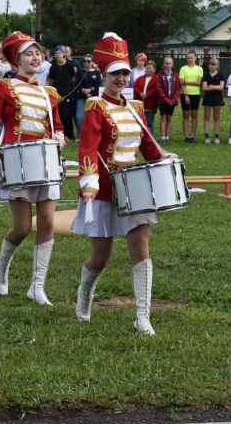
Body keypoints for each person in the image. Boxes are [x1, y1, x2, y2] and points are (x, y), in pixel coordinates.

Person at [70, 32, 169, 336]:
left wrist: (165, 159)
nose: (121, 78)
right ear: (104, 74)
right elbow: (87, 147)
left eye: (125, 72)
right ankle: (84, 298)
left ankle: (142, 316)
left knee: (141, 247)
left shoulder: (136, 108)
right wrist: (88, 182)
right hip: (103, 189)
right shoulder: (95, 107)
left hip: (135, 188)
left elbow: (148, 148)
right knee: (100, 258)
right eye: (115, 73)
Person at [0, 31, 65, 304]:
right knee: (21, 227)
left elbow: (58, 125)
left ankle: (37, 286)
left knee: (46, 222)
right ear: (16, 60)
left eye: (38, 53)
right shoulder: (5, 88)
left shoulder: (49, 93)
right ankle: (2, 265)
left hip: (45, 162)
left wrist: (60, 136)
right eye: (29, 54)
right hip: (17, 162)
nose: (36, 58)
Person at [48, 45, 77, 140]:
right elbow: (51, 80)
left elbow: (73, 78)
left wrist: (69, 91)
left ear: (64, 54)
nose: (58, 55)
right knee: (57, 114)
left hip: (67, 94)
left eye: (59, 53)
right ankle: (58, 133)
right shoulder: (53, 66)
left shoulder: (69, 66)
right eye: (56, 53)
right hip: (56, 94)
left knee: (66, 115)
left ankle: (68, 134)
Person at [178, 51, 203, 143]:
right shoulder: (183, 68)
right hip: (185, 95)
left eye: (191, 58)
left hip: (196, 94)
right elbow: (181, 83)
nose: (189, 59)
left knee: (194, 115)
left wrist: (186, 81)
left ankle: (192, 135)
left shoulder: (199, 69)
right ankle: (186, 136)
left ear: (195, 58)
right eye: (188, 58)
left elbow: (198, 83)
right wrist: (186, 95)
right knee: (185, 115)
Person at [75, 54, 102, 132]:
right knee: (79, 116)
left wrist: (91, 89)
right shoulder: (80, 72)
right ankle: (80, 134)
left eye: (88, 61)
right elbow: (77, 84)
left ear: (92, 62)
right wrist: (83, 90)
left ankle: (93, 133)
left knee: (93, 117)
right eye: (84, 61)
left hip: (94, 98)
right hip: (82, 97)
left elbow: (99, 84)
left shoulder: (97, 72)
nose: (86, 63)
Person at [200, 57, 224, 144]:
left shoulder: (220, 75)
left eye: (214, 64)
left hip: (217, 98)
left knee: (216, 117)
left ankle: (217, 136)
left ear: (218, 65)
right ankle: (207, 136)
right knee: (207, 116)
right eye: (211, 64)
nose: (212, 66)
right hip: (208, 98)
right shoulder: (206, 75)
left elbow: (221, 87)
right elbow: (204, 88)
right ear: (208, 65)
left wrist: (212, 86)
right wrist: (215, 87)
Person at [157, 56, 180, 144]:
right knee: (163, 117)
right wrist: (166, 99)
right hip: (163, 101)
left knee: (169, 118)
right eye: (166, 63)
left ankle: (167, 136)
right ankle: (162, 137)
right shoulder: (160, 74)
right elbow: (159, 88)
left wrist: (173, 99)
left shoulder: (175, 74)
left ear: (172, 64)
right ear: (164, 64)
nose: (168, 65)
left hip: (172, 101)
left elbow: (177, 88)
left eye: (170, 63)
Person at [132, 60, 158, 136]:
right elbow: (135, 86)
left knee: (149, 122)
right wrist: (140, 93)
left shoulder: (156, 79)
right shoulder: (140, 78)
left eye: (150, 68)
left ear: (154, 69)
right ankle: (139, 137)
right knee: (139, 121)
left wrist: (147, 94)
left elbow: (156, 89)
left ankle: (149, 137)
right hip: (139, 104)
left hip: (150, 104)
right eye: (147, 68)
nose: (148, 70)